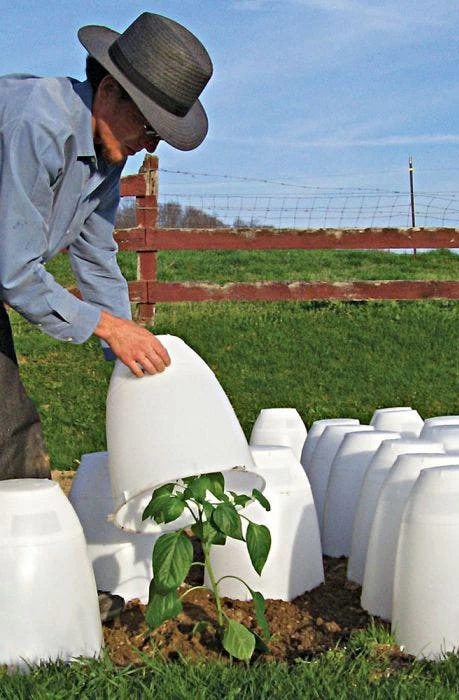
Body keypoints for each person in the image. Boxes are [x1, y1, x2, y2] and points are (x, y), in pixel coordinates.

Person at [0, 13, 213, 620]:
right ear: (111, 89)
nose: (150, 145)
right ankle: (39, 599)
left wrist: (125, 352)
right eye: (149, 126)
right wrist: (106, 328)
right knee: (10, 434)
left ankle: (35, 591)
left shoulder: (105, 150)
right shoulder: (37, 123)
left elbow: (95, 256)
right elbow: (13, 270)